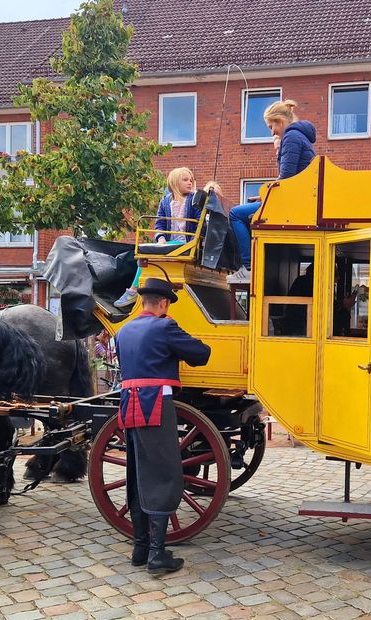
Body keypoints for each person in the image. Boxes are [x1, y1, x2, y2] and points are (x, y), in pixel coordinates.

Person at [116, 278, 211, 575]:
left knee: (137, 472)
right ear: (164, 303)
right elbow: (201, 354)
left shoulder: (124, 330)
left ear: (143, 301)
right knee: (162, 473)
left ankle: (141, 546)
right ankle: (157, 554)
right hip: (155, 404)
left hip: (128, 405)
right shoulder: (164, 326)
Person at [229, 100, 316, 272]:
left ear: (280, 121)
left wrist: (267, 196)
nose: (272, 132)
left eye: (271, 126)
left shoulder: (291, 137)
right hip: (300, 197)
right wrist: (264, 196)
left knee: (235, 215)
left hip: (291, 201)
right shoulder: (301, 136)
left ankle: (249, 266)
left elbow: (286, 177)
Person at [115, 168, 200, 309]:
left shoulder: (194, 200)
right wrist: (160, 238)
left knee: (147, 256)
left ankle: (133, 290)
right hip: (170, 242)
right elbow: (159, 223)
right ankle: (140, 290)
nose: (189, 183)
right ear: (174, 183)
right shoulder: (165, 201)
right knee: (146, 256)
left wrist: (194, 241)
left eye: (191, 180)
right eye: (185, 180)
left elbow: (199, 223)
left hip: (186, 242)